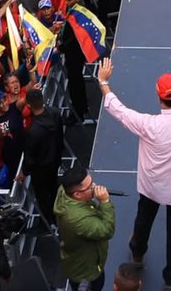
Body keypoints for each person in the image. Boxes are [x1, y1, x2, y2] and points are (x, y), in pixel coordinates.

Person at [97, 56, 171, 291]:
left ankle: (138, 252)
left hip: (151, 187)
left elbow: (119, 110)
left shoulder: (148, 125)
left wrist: (103, 82)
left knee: (144, 219)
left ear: (157, 94)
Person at [53, 165, 115, 291]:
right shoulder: (77, 219)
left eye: (92, 182)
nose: (95, 187)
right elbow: (106, 230)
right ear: (77, 194)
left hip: (82, 260)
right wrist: (105, 203)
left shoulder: (65, 190)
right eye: (90, 187)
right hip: (86, 272)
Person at [23, 86, 64, 225]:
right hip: (55, 160)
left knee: (42, 195)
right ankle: (58, 215)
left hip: (40, 169)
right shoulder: (55, 113)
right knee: (54, 189)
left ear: (28, 105)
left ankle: (47, 222)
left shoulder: (33, 131)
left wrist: (24, 172)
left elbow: (30, 156)